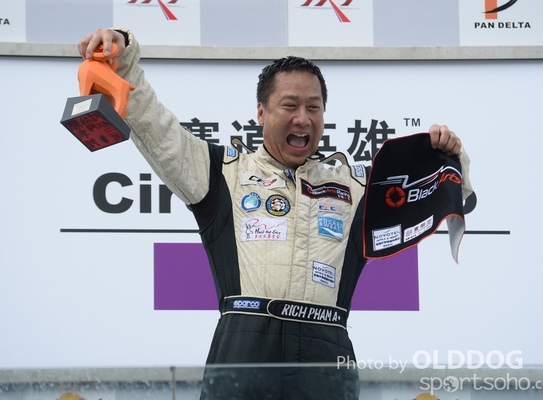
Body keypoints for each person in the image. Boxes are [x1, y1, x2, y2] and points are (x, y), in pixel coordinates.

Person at [78, 28, 472, 400]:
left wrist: (449, 155)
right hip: (243, 344)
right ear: (262, 112)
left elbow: (449, 195)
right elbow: (155, 127)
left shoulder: (355, 186)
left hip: (327, 348)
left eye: (314, 107)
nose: (303, 118)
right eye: (290, 105)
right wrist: (122, 52)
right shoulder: (221, 171)